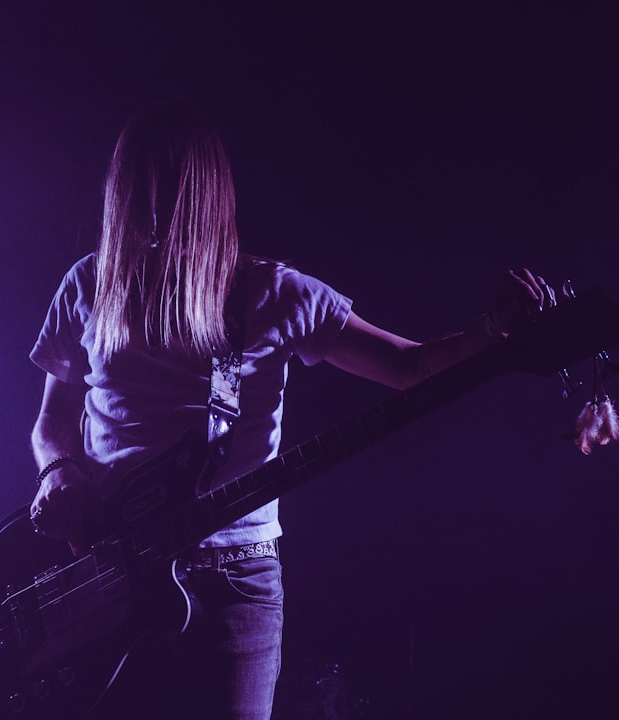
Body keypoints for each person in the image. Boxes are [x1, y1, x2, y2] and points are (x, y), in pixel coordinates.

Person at [28, 102, 556, 720]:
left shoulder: (273, 292)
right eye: (138, 187)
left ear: (197, 193)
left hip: (236, 582)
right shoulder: (89, 284)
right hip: (111, 575)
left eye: (164, 189)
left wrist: (492, 331)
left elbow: (407, 366)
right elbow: (52, 421)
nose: (150, 210)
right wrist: (57, 471)